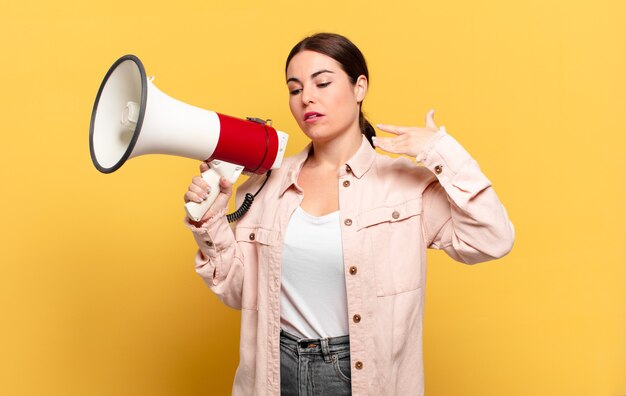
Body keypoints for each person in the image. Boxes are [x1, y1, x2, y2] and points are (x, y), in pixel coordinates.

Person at [184, 32, 514, 396]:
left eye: (323, 82)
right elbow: (237, 294)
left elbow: (493, 239)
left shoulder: (406, 187)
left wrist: (442, 152)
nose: (307, 97)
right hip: (275, 371)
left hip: (360, 376)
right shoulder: (264, 185)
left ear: (360, 87)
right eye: (295, 89)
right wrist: (211, 220)